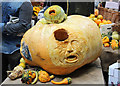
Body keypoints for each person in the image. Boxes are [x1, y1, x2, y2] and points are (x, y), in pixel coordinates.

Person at [0, 0, 33, 81]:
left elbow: (23, 25)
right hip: (2, 46)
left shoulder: (25, 3)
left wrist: (2, 27)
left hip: (16, 48)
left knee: (16, 77)